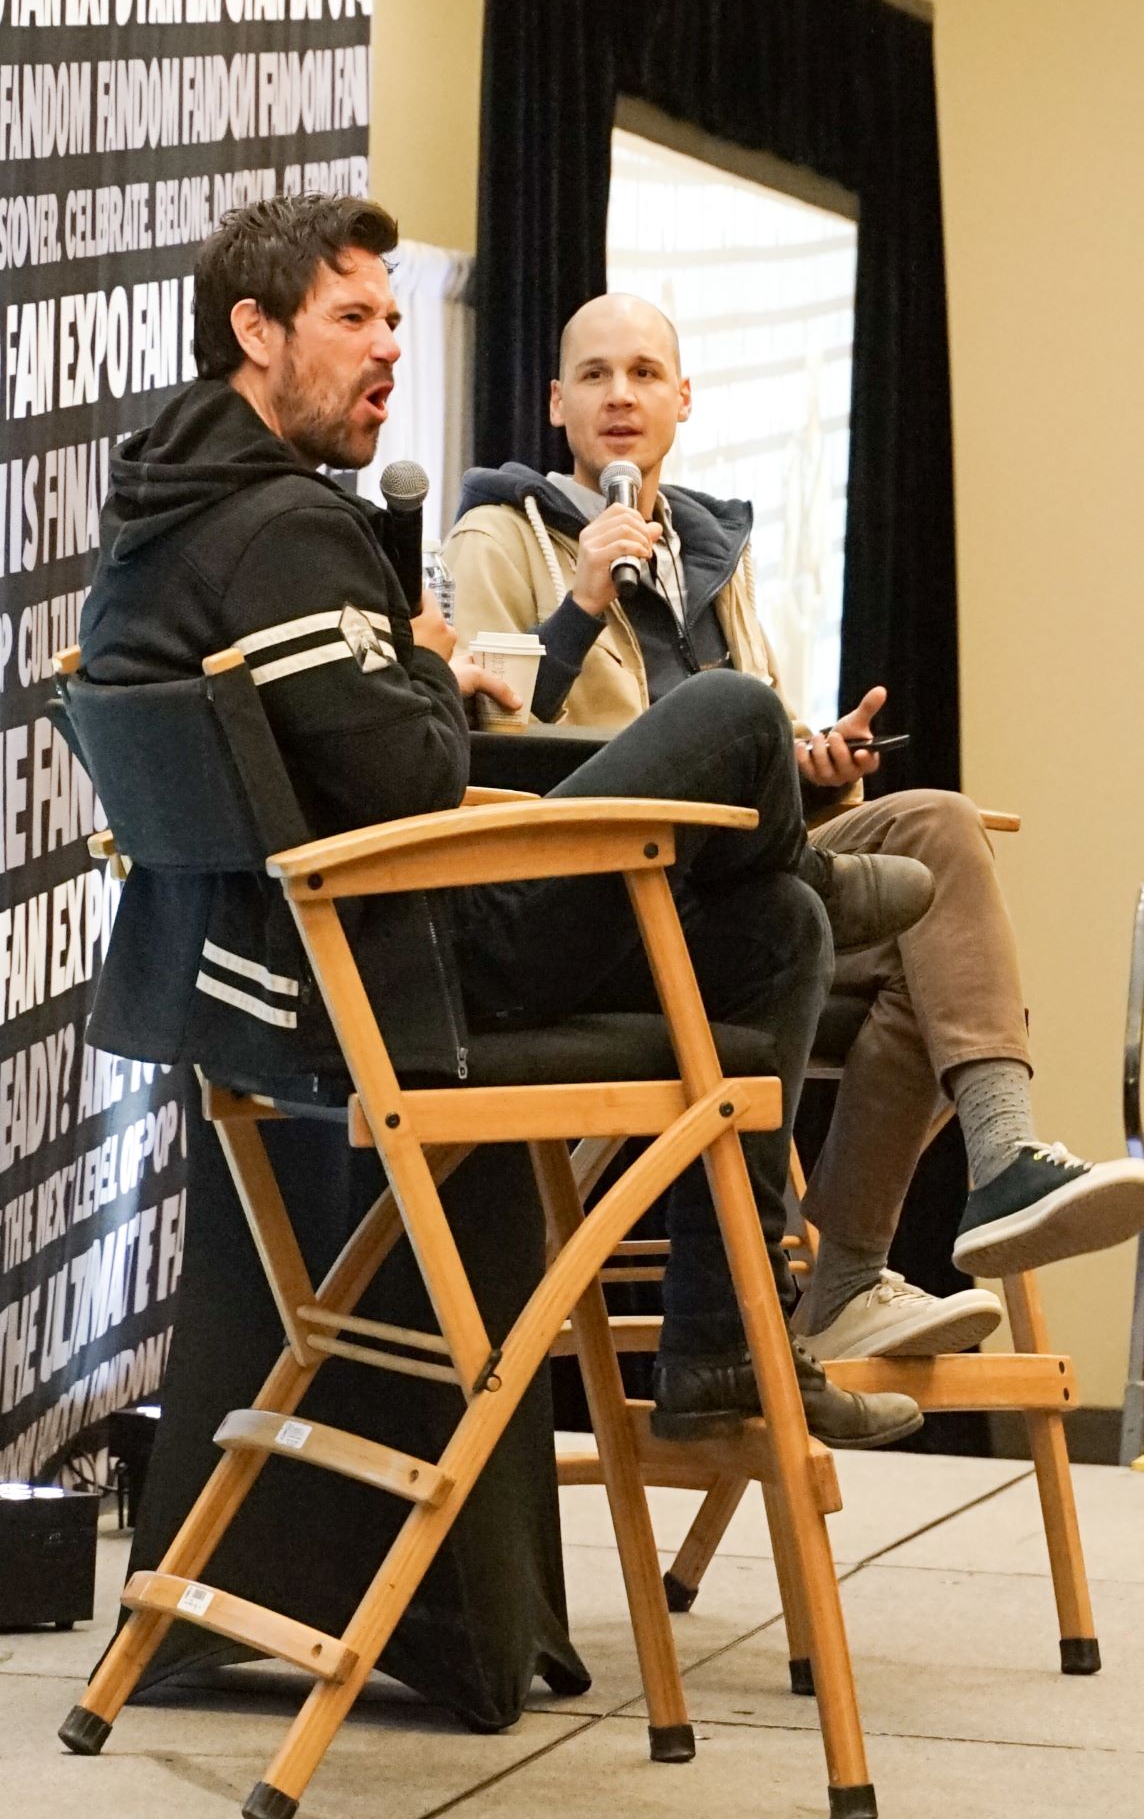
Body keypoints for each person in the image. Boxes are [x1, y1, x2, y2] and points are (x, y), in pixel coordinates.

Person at [81, 193, 932, 1445]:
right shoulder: (284, 533)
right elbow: (420, 779)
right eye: (355, 317)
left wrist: (418, 676)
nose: (389, 346)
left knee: (780, 936)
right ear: (253, 331)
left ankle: (713, 1355)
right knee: (742, 718)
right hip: (404, 979)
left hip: (290, 976)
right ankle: (800, 850)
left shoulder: (167, 515)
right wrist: (429, 660)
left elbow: (381, 759)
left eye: (393, 317)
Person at [444, 291, 1144, 1361]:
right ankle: (854, 1273)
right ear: (556, 403)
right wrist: (580, 602)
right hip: (598, 903)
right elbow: (474, 731)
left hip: (747, 888)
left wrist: (820, 772)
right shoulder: (499, 534)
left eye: (644, 373)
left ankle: (963, 1186)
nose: (620, 396)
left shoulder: (709, 557)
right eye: (594, 376)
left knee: (936, 850)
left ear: (682, 398)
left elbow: (760, 737)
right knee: (923, 914)